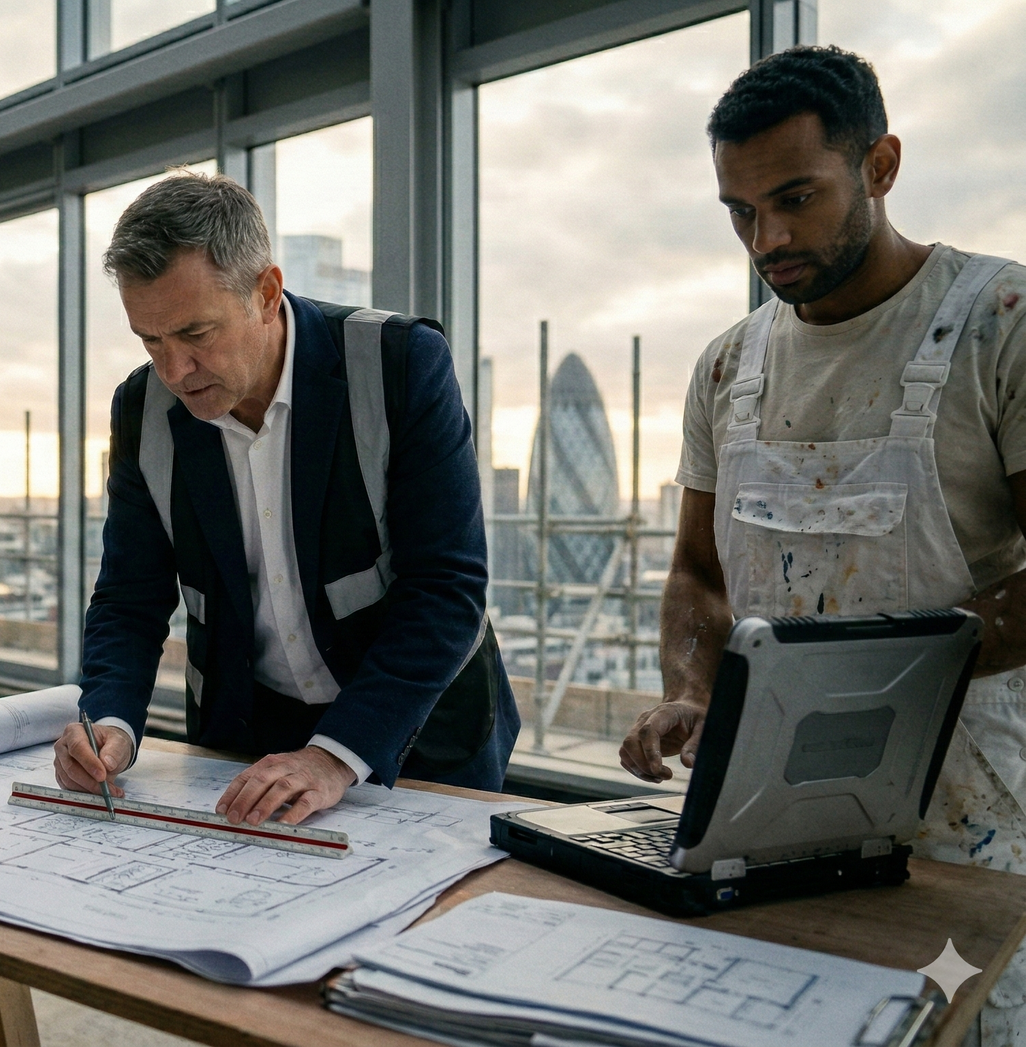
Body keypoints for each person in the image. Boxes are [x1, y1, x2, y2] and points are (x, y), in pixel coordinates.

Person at [617, 47, 1026, 1041]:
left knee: (956, 1029)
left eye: (797, 196)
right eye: (741, 210)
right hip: (773, 821)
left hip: (968, 824)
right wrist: (694, 689)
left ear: (880, 164)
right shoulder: (729, 366)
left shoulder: (998, 324)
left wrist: (863, 682)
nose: (770, 236)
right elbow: (698, 574)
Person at [55, 172, 519, 828]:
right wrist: (109, 722)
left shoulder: (400, 366)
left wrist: (333, 757)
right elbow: (130, 598)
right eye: (150, 340)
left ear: (267, 293)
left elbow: (446, 588)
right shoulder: (143, 409)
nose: (174, 371)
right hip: (246, 746)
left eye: (196, 333)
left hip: (416, 736)